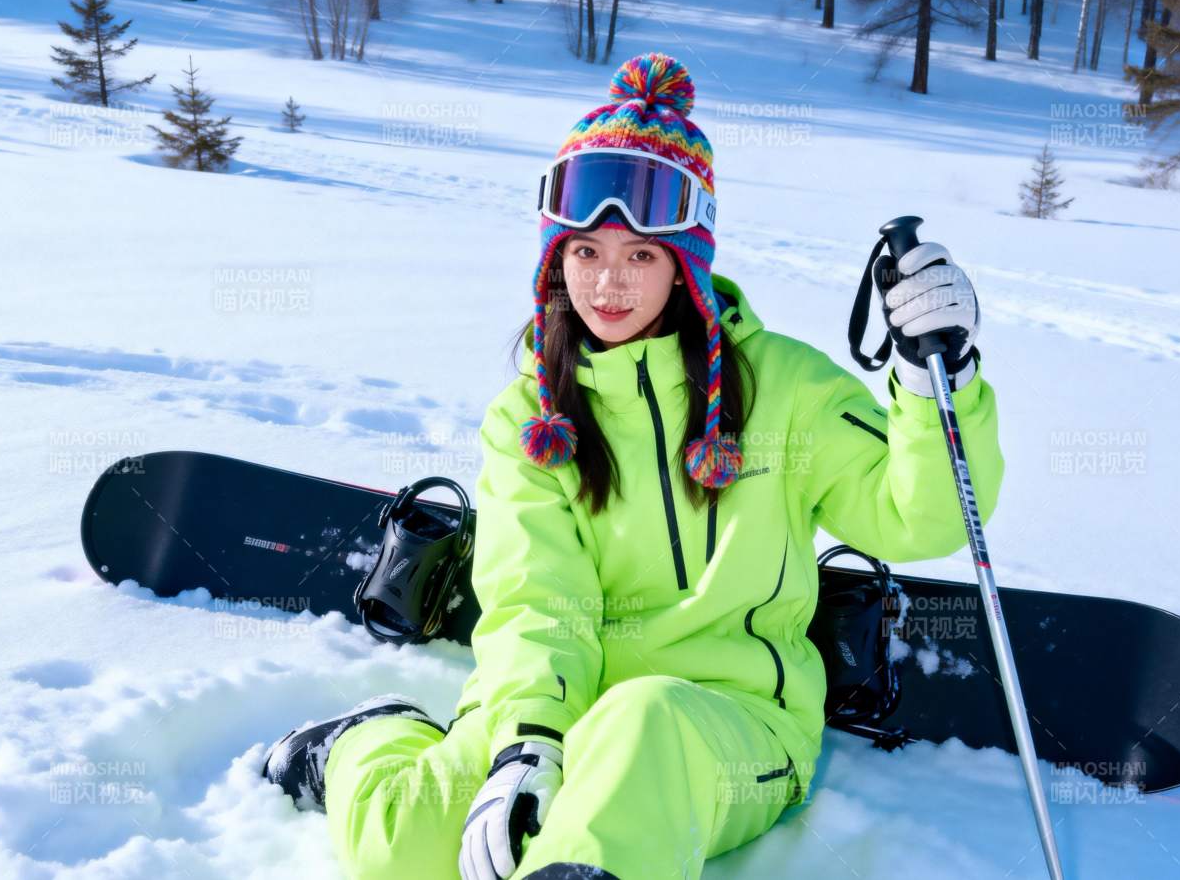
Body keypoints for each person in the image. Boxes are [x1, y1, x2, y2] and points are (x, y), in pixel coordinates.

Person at [261, 51, 1004, 880]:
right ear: (556, 261)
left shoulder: (787, 389)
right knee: (405, 845)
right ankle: (363, 743)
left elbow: (920, 517)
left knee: (642, 726)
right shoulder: (530, 419)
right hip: (555, 712)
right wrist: (525, 746)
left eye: (641, 256)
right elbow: (536, 600)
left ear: (685, 262)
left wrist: (935, 384)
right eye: (584, 252)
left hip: (725, 726)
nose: (608, 282)